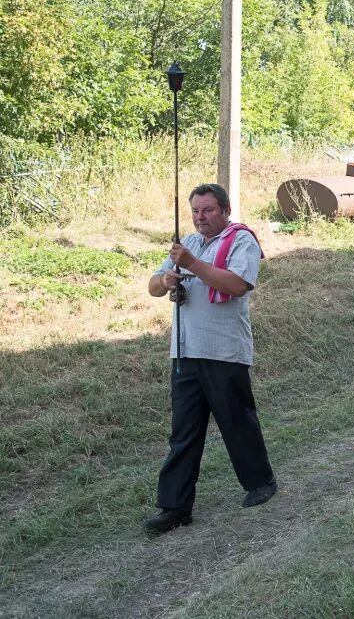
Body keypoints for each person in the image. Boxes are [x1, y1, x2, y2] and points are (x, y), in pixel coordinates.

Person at [144, 184, 276, 534]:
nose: (200, 217)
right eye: (196, 211)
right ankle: (175, 507)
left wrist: (191, 264)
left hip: (224, 351)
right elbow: (153, 286)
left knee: (236, 421)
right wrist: (167, 277)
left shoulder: (241, 241)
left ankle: (260, 483)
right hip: (185, 351)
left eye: (208, 210)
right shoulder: (186, 243)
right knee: (183, 433)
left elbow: (236, 285)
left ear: (225, 210)